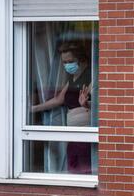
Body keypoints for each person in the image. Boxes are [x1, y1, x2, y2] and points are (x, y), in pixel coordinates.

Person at [31, 42, 93, 174]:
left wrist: (86, 104)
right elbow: (59, 99)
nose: (67, 65)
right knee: (73, 167)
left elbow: (98, 104)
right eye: (64, 62)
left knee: (84, 170)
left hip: (85, 135)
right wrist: (35, 108)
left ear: (81, 59)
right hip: (73, 134)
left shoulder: (91, 76)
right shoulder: (72, 77)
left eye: (70, 61)